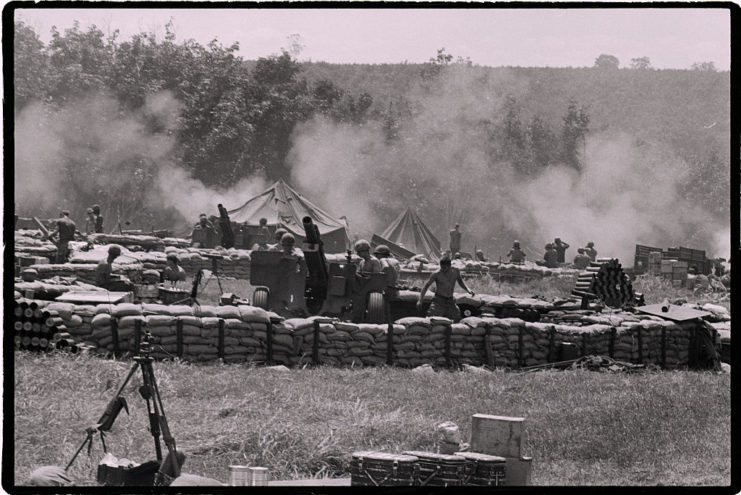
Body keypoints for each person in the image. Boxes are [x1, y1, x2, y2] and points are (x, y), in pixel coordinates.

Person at [417, 255, 475, 321]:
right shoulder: (436, 274)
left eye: (444, 267)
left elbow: (460, 282)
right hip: (439, 301)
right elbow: (426, 286)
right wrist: (420, 300)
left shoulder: (455, 271)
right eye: (441, 267)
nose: (443, 269)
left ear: (449, 266)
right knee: (430, 320)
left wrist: (468, 290)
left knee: (457, 320)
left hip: (450, 301)